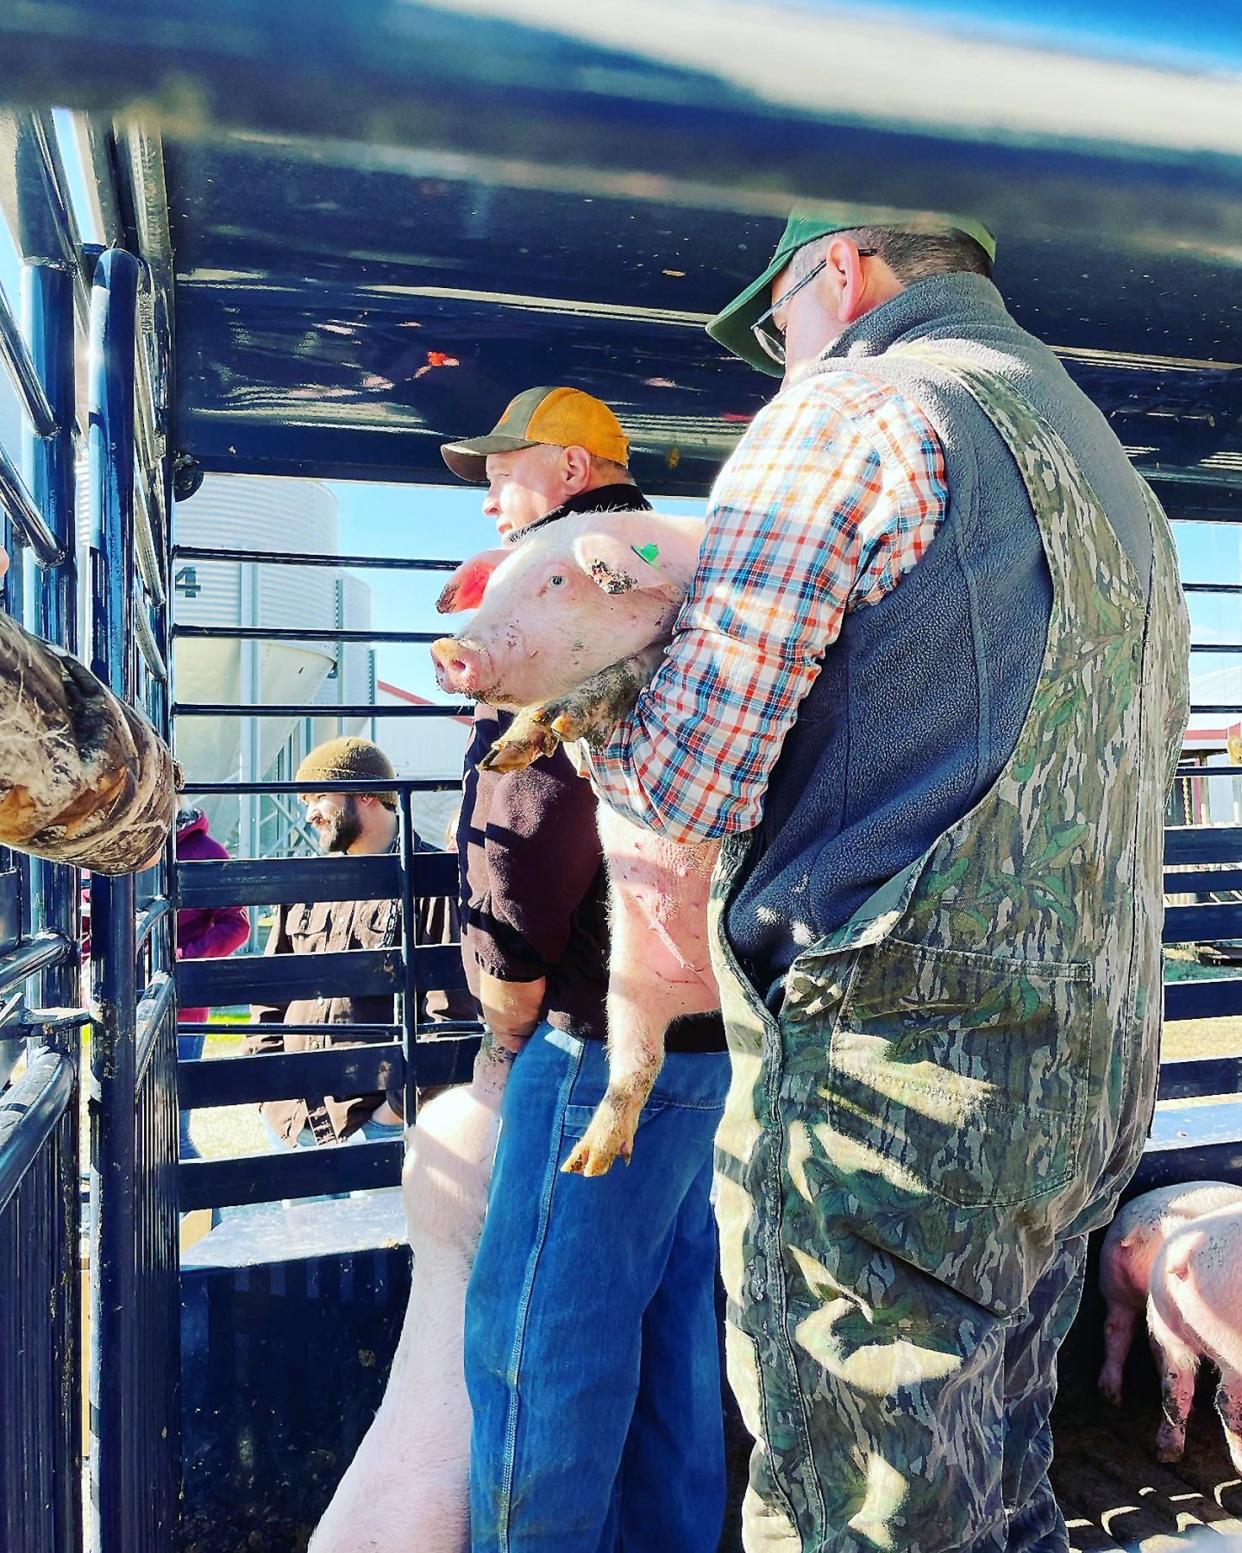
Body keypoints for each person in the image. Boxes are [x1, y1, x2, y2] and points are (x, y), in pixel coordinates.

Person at [568, 216, 1191, 1552]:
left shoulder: (847, 403)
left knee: (856, 1516)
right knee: (999, 1489)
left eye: (775, 318)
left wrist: (580, 695)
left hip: (889, 1114)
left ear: (837, 272)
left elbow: (683, 783)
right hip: (1078, 1090)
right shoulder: (1102, 468)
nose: (777, 356)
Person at [440, 385, 732, 1553]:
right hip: (706, 1036)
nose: (493, 496)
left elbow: (528, 853)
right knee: (668, 1338)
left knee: (532, 1346)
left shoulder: (576, 594)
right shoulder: (687, 584)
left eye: (504, 471)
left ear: (568, 472)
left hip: (593, 1039)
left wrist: (507, 1020)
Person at [245, 736, 468, 1148]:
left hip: (374, 1124)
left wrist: (391, 1114)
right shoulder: (307, 885)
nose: (310, 813)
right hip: (293, 1123)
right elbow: (269, 993)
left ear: (366, 794)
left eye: (319, 797)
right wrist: (271, 1087)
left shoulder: (433, 883)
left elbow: (449, 1015)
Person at [175, 805, 250, 1159]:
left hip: (184, 1011)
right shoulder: (117, 846)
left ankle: (210, 1216)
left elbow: (236, 924)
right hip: (122, 1005)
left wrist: (186, 956)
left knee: (173, 1133)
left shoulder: (206, 852)